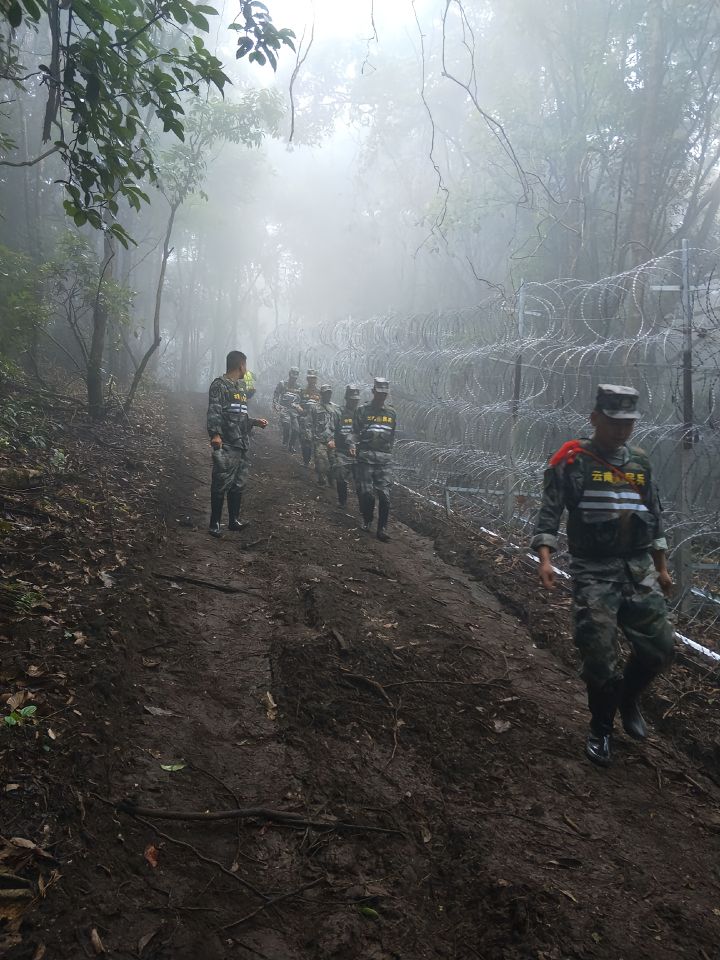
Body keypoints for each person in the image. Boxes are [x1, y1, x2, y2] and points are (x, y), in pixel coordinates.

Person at [531, 385, 675, 767]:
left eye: (628, 424)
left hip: (638, 567)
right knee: (598, 653)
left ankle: (628, 698)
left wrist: (661, 566)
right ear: (596, 419)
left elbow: (654, 515)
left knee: (659, 647)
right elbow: (550, 512)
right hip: (594, 570)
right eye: (613, 422)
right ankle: (601, 728)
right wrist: (545, 558)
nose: (621, 430)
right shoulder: (572, 461)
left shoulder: (640, 464)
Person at [207, 350, 268, 538]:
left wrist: (254, 422)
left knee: (238, 483)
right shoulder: (219, 385)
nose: (246, 369)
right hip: (227, 443)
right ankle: (215, 523)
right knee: (220, 481)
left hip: (242, 443)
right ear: (240, 365)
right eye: (245, 365)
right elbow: (215, 411)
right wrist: (215, 434)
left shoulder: (240, 388)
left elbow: (241, 415)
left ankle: (233, 520)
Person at [349, 378, 397, 542]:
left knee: (385, 495)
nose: (381, 396)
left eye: (384, 393)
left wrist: (389, 454)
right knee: (366, 493)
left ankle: (382, 528)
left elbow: (392, 436)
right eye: (379, 393)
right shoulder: (362, 411)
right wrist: (352, 444)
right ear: (373, 392)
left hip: (384, 460)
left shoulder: (391, 413)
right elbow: (354, 431)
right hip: (365, 458)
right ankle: (368, 518)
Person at [329, 384, 361, 508]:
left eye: (356, 400)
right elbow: (331, 427)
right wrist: (331, 439)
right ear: (347, 399)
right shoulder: (338, 412)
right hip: (342, 450)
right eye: (352, 400)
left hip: (358, 452)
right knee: (341, 475)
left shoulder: (361, 414)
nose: (354, 402)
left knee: (361, 481)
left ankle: (363, 508)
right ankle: (342, 501)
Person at [311, 384, 341, 487]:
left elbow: (340, 424)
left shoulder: (336, 408)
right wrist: (311, 437)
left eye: (329, 393)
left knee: (333, 462)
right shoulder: (314, 407)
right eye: (325, 393)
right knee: (321, 461)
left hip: (333, 439)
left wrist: (338, 439)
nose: (327, 395)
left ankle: (331, 480)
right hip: (319, 439)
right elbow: (310, 422)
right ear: (321, 394)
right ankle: (321, 481)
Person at [296, 369, 322, 467]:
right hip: (305, 418)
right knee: (305, 442)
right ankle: (306, 462)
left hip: (318, 420)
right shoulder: (302, 391)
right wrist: (299, 408)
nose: (312, 380)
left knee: (317, 442)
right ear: (307, 379)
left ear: (316, 379)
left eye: (314, 378)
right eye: (310, 378)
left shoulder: (320, 392)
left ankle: (317, 464)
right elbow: (296, 402)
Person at [273, 366, 301, 451]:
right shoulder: (282, 383)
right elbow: (276, 394)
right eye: (292, 376)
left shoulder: (298, 386)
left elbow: (299, 399)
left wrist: (298, 406)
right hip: (284, 408)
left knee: (296, 429)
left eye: (295, 377)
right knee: (287, 425)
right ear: (289, 374)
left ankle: (291, 445)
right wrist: (275, 404)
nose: (294, 379)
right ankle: (285, 442)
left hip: (293, 410)